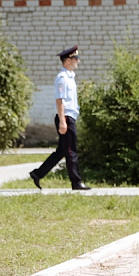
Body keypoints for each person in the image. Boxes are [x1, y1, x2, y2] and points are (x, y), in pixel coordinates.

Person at [30, 46, 91, 191]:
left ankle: (38, 173)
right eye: (76, 58)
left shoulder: (70, 77)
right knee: (71, 151)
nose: (78, 61)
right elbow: (60, 100)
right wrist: (63, 121)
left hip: (69, 117)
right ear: (68, 60)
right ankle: (76, 183)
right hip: (66, 118)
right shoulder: (62, 78)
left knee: (62, 151)